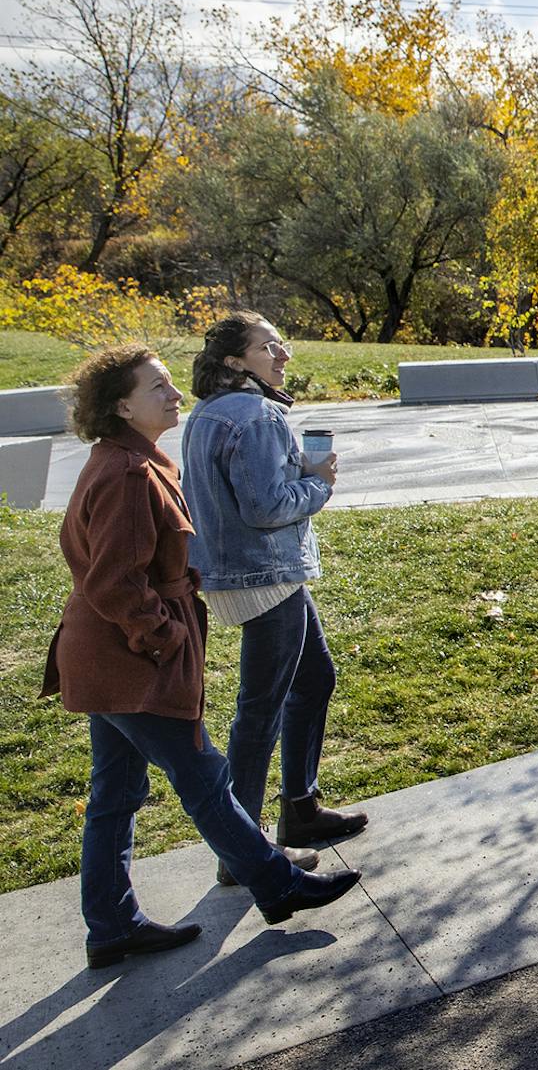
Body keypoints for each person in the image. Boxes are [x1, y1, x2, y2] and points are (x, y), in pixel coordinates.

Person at [43, 344, 361, 968]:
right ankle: (277, 884)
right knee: (204, 778)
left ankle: (111, 925)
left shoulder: (128, 458)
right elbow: (115, 583)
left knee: (116, 793)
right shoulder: (128, 475)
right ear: (121, 406)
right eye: (157, 386)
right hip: (127, 660)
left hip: (101, 656)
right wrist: (163, 639)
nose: (174, 394)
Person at [182, 314, 367, 885]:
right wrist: (318, 483)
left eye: (282, 342)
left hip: (242, 572)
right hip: (265, 575)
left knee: (314, 680)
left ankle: (300, 811)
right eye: (269, 346)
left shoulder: (208, 413)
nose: (283, 353)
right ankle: (244, 850)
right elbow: (266, 507)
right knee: (260, 709)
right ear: (237, 362)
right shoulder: (258, 415)